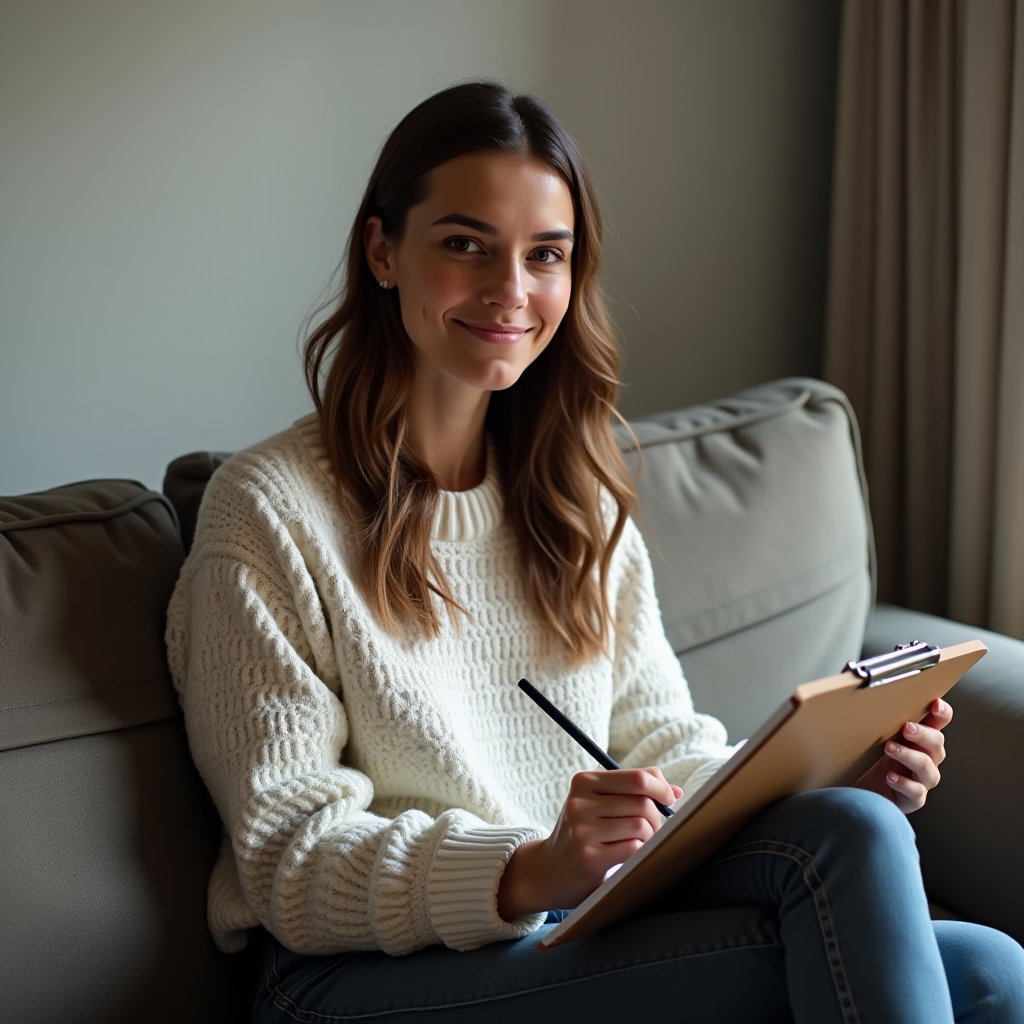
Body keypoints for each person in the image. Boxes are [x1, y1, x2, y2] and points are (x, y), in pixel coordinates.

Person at [166, 81, 1024, 1023]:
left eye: (546, 255)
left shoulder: (571, 494)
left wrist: (829, 776)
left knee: (982, 958)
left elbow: (671, 751)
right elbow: (290, 855)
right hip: (348, 979)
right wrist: (532, 865)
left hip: (567, 922)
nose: (510, 290)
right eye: (465, 244)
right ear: (382, 250)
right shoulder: (268, 511)